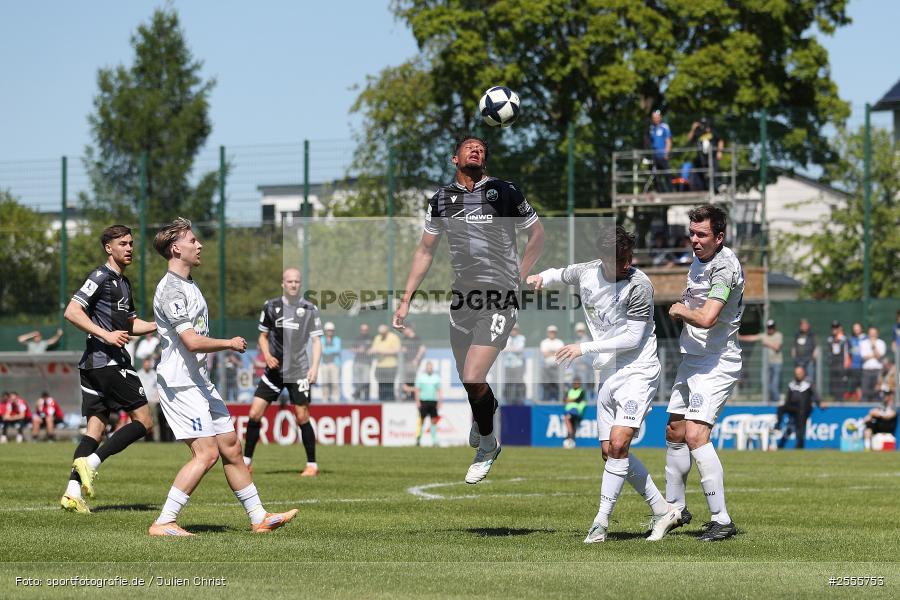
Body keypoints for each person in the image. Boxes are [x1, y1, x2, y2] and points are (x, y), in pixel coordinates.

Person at [393, 135, 544, 484]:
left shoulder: (504, 192)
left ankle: (489, 445)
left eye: (481, 147)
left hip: (498, 297)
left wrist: (518, 277)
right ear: (454, 158)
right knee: (468, 380)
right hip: (462, 299)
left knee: (474, 375)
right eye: (468, 147)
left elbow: (537, 234)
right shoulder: (441, 200)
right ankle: (487, 410)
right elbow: (425, 251)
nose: (476, 149)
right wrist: (405, 300)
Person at [528, 226, 681, 542]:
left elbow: (632, 338)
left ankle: (600, 523)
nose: (626, 265)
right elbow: (562, 272)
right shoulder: (587, 273)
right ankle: (663, 510)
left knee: (620, 443)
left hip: (638, 370)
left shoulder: (638, 285)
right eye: (619, 260)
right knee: (609, 451)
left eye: (628, 258)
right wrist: (542, 277)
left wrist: (582, 347)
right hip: (608, 372)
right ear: (602, 258)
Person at [149, 217, 296, 536]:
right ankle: (163, 522)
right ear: (176, 248)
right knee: (207, 453)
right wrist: (228, 343)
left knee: (231, 446)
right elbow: (190, 340)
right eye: (192, 240)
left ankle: (259, 517)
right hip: (180, 383)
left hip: (199, 381)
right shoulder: (172, 288)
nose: (199, 245)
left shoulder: (188, 284)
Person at [60, 224, 157, 515]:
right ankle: (91, 463)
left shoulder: (124, 284)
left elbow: (130, 325)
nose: (129, 248)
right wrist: (106, 334)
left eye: (130, 243)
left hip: (94, 365)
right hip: (107, 362)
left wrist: (160, 325)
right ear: (108, 248)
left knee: (95, 429)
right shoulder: (100, 277)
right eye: (123, 244)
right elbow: (72, 311)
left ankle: (72, 494)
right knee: (144, 421)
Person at [664, 204, 743, 542]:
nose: (694, 241)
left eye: (702, 235)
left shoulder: (724, 267)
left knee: (696, 434)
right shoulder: (700, 258)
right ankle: (674, 510)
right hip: (693, 356)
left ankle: (722, 519)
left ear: (719, 237)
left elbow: (709, 317)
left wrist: (681, 309)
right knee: (675, 430)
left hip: (716, 361)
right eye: (692, 234)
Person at [243, 268, 323, 477]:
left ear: (300, 284)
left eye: (297, 281)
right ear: (283, 284)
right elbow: (262, 336)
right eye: (290, 281)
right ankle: (246, 462)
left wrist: (314, 367)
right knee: (254, 413)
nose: (293, 284)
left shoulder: (309, 309)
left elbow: (316, 341)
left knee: (302, 416)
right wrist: (267, 355)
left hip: (299, 371)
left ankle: (312, 465)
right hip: (274, 370)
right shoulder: (270, 306)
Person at [774, 366, 821, 449]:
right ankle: (778, 425)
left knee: (800, 424)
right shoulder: (792, 384)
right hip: (793, 407)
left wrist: (820, 403)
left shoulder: (808, 383)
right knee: (781, 408)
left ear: (803, 373)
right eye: (796, 373)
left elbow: (815, 395)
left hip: (804, 408)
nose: (798, 375)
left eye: (799, 373)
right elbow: (788, 398)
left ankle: (800, 444)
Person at [739, 319, 784, 404]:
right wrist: (740, 337)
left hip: (777, 363)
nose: (770, 329)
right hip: (767, 363)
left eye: (771, 327)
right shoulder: (764, 335)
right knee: (766, 382)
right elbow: (752, 338)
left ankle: (777, 401)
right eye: (769, 327)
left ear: (774, 327)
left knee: (774, 384)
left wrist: (767, 344)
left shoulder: (778, 335)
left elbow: (777, 348)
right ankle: (769, 400)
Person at [687, 118, 724, 191]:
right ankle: (705, 189)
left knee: (714, 174)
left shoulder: (713, 132)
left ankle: (717, 188)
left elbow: (720, 140)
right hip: (702, 158)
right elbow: (689, 139)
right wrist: (693, 128)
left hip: (712, 157)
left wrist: (719, 152)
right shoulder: (698, 132)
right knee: (703, 175)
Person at [414, 361, 443, 446]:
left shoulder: (436, 378)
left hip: (433, 401)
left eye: (431, 367)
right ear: (426, 368)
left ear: (432, 368)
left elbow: (439, 390)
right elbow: (417, 390)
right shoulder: (421, 378)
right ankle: (418, 439)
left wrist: (440, 402)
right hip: (423, 401)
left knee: (433, 421)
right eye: (428, 367)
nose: (429, 369)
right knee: (421, 421)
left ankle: (434, 441)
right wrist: (417, 402)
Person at [371, 324, 401, 402]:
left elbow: (396, 351)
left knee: (389, 386)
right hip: (380, 366)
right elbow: (374, 348)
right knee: (381, 385)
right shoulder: (378, 337)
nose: (382, 335)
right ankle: (381, 401)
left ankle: (390, 402)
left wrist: (381, 351)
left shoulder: (394, 337)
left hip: (391, 366)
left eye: (383, 333)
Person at [648, 109, 672, 193]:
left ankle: (671, 192)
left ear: (660, 117)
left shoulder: (665, 127)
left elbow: (668, 141)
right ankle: (659, 192)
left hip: (663, 155)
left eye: (657, 117)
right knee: (655, 176)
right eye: (653, 117)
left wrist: (667, 153)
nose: (655, 119)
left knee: (667, 175)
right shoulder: (651, 128)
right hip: (654, 156)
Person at [859, 327, 886, 403]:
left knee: (877, 393)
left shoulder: (881, 343)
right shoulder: (863, 343)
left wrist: (873, 346)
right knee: (865, 392)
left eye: (874, 333)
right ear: (868, 334)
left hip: (878, 371)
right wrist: (874, 355)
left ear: (877, 334)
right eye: (871, 333)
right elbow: (864, 357)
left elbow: (879, 356)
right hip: (866, 371)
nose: (872, 335)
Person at [400, 325, 426, 402]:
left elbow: (422, 348)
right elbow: (401, 349)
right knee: (407, 380)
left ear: (410, 329)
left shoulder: (417, 338)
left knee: (414, 380)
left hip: (414, 363)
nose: (404, 331)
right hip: (406, 363)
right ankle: (407, 396)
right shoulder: (405, 339)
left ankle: (414, 396)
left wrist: (416, 359)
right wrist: (402, 350)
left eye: (405, 329)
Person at [137, 358, 161, 442]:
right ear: (143, 364)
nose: (147, 365)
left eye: (148, 363)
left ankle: (156, 439)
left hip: (152, 401)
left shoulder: (155, 374)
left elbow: (158, 388)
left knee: (155, 420)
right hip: (142, 401)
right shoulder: (139, 374)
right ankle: (140, 439)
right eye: (145, 363)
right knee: (141, 420)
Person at [502, 324, 527, 404]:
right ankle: (508, 401)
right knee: (508, 384)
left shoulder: (521, 338)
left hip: (518, 366)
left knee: (519, 384)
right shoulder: (506, 338)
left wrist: (510, 349)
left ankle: (520, 401)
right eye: (512, 329)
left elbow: (520, 349)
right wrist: (513, 349)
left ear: (517, 330)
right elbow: (503, 349)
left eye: (515, 329)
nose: (513, 331)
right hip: (508, 365)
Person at [540, 326, 564, 403]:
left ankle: (558, 401)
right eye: (550, 332)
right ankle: (546, 401)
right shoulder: (544, 342)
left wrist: (550, 352)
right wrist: (555, 352)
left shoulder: (559, 342)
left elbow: (561, 354)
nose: (552, 334)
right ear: (548, 333)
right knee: (546, 385)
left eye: (553, 332)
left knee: (557, 385)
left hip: (557, 367)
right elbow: (544, 354)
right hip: (547, 367)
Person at [826, 321, 849, 402]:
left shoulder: (844, 339)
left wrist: (846, 363)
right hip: (833, 363)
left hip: (841, 363)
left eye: (836, 328)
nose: (834, 329)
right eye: (833, 328)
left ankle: (841, 398)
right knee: (834, 381)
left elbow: (847, 352)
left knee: (841, 381)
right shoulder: (830, 339)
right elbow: (829, 351)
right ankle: (835, 398)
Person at [319, 322, 342, 403]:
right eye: (328, 330)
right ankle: (325, 397)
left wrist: (326, 350)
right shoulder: (321, 339)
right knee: (325, 382)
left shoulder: (337, 339)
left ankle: (336, 397)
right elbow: (321, 350)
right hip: (324, 364)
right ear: (325, 331)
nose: (330, 332)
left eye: (331, 330)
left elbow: (337, 349)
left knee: (335, 382)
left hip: (334, 364)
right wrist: (329, 350)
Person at [561, 378, 586, 449]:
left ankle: (570, 435)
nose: (576, 384)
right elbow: (564, 399)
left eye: (577, 383)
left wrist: (570, 400)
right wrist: (568, 400)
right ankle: (571, 440)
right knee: (573, 425)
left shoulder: (581, 391)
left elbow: (579, 399)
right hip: (568, 410)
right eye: (574, 383)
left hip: (576, 410)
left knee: (567, 419)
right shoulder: (570, 391)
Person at [792, 319, 818, 385]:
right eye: (802, 325)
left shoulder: (812, 335)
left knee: (810, 379)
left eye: (805, 325)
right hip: (799, 361)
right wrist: (794, 357)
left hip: (809, 360)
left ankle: (811, 394)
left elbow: (816, 347)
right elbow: (794, 347)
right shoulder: (797, 335)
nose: (803, 326)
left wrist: (813, 357)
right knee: (798, 378)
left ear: (808, 326)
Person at [351, 324, 373, 402]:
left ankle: (364, 397)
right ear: (361, 330)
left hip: (366, 362)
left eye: (366, 330)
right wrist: (359, 350)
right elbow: (352, 349)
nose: (364, 331)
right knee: (358, 380)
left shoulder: (371, 338)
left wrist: (370, 351)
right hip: (358, 362)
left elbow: (373, 348)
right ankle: (358, 396)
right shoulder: (357, 338)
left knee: (366, 381)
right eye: (363, 330)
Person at [847, 322, 865, 401]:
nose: (856, 329)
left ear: (861, 328)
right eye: (855, 328)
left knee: (864, 385)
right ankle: (859, 400)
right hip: (854, 366)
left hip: (865, 366)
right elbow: (848, 353)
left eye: (858, 327)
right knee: (856, 385)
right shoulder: (851, 339)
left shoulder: (866, 338)